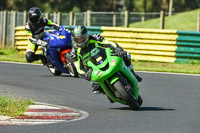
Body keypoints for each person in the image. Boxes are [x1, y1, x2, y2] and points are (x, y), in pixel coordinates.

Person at [70, 25, 142, 94]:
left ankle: (132, 73)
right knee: (96, 90)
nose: (80, 41)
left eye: (82, 38)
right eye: (77, 39)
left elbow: (109, 43)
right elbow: (78, 68)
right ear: (74, 39)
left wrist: (119, 50)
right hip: (92, 69)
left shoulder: (94, 37)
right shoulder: (74, 52)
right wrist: (85, 75)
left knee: (126, 55)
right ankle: (106, 90)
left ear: (86, 36)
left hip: (105, 57)